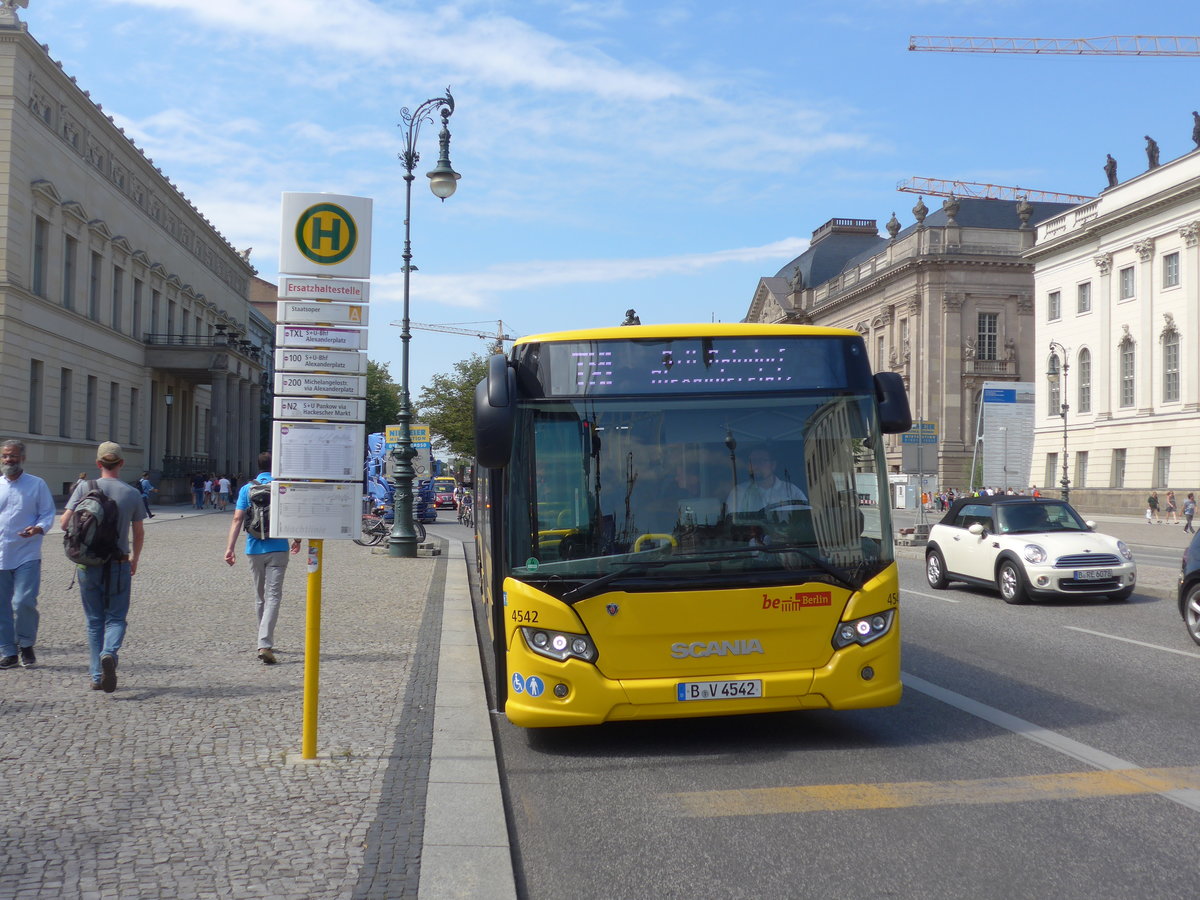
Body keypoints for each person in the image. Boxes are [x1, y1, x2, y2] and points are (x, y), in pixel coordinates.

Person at [61, 441, 145, 692]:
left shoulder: (84, 487)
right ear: (121, 463)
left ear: (98, 463)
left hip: (88, 563)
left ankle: (97, 675)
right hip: (118, 562)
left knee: (94, 620)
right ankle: (109, 652)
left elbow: (64, 523)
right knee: (116, 618)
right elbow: (138, 532)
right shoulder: (132, 493)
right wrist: (134, 559)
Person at [223, 452, 301, 665]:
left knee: (260, 596)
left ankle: (263, 640)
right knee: (273, 596)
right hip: (278, 547)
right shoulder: (281, 487)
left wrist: (230, 548)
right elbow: (291, 516)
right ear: (275, 466)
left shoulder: (247, 489)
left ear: (257, 467)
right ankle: (264, 643)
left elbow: (237, 518)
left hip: (254, 547)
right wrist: (297, 540)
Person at [0, 440, 56, 670]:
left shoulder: (36, 484)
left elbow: (48, 513)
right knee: (2, 606)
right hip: (1, 554)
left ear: (22, 458)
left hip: (27, 553)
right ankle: (8, 651)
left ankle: (25, 644)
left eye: (13, 456)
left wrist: (38, 528)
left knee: (23, 601)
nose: (8, 460)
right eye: (5, 456)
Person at [725, 445, 808, 514]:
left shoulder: (792, 491)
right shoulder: (738, 492)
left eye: (761, 461)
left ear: (773, 465)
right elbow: (732, 523)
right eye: (752, 461)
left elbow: (805, 519)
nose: (756, 465)